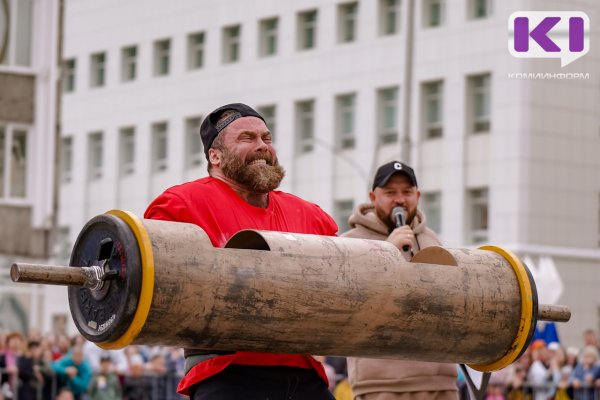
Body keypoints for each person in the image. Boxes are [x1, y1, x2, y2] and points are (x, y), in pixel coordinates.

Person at [144, 103, 338, 400]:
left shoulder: (310, 215)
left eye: (267, 138)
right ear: (215, 156)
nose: (262, 146)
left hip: (301, 371)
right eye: (247, 138)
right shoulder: (180, 205)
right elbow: (152, 276)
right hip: (225, 371)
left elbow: (349, 281)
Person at [342, 161, 458, 400]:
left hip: (440, 382)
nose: (400, 200)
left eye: (407, 192)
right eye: (390, 193)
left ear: (418, 196)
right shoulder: (350, 242)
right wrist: (386, 252)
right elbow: (347, 301)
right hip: (380, 385)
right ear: (373, 197)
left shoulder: (433, 240)